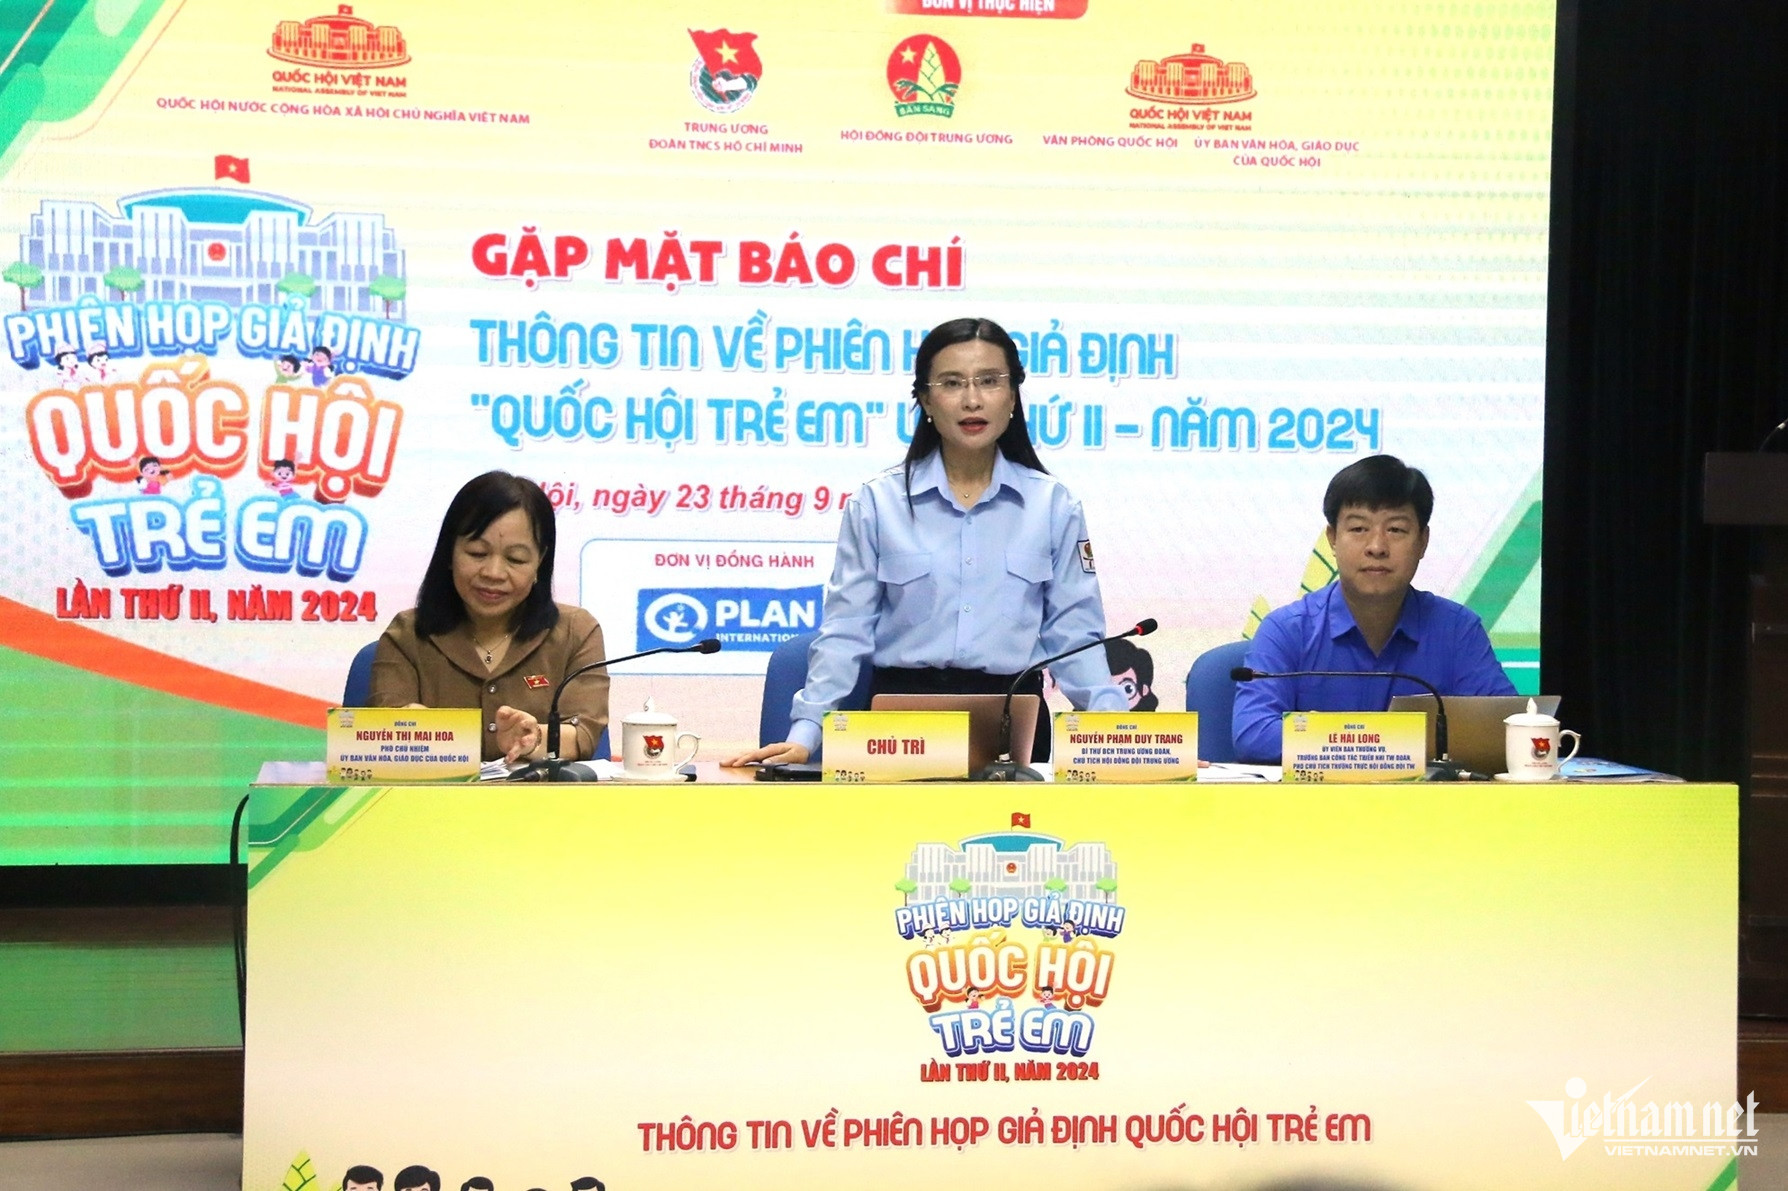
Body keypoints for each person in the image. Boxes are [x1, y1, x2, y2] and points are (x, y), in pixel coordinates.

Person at [727, 316, 1126, 767]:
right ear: (925, 400)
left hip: (1013, 723)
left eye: (990, 381)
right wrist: (806, 733)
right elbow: (846, 630)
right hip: (901, 725)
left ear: (1013, 396)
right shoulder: (878, 503)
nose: (972, 400)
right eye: (952, 383)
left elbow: (1074, 634)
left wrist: (1115, 732)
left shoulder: (1053, 505)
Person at [1231, 454, 1516, 763]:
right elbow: (1254, 733)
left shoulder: (1457, 630)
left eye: (1396, 530)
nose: (1377, 547)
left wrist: (1337, 738)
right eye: (1358, 529)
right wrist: (1380, 743)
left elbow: (1509, 729)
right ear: (1332, 539)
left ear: (1423, 542)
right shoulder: (1287, 630)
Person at [370, 471, 608, 763]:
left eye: (516, 559)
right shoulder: (406, 635)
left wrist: (532, 739)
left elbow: (582, 733)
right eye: (477, 553)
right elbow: (383, 736)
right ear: (449, 553)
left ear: (540, 562)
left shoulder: (576, 632)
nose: (494, 573)